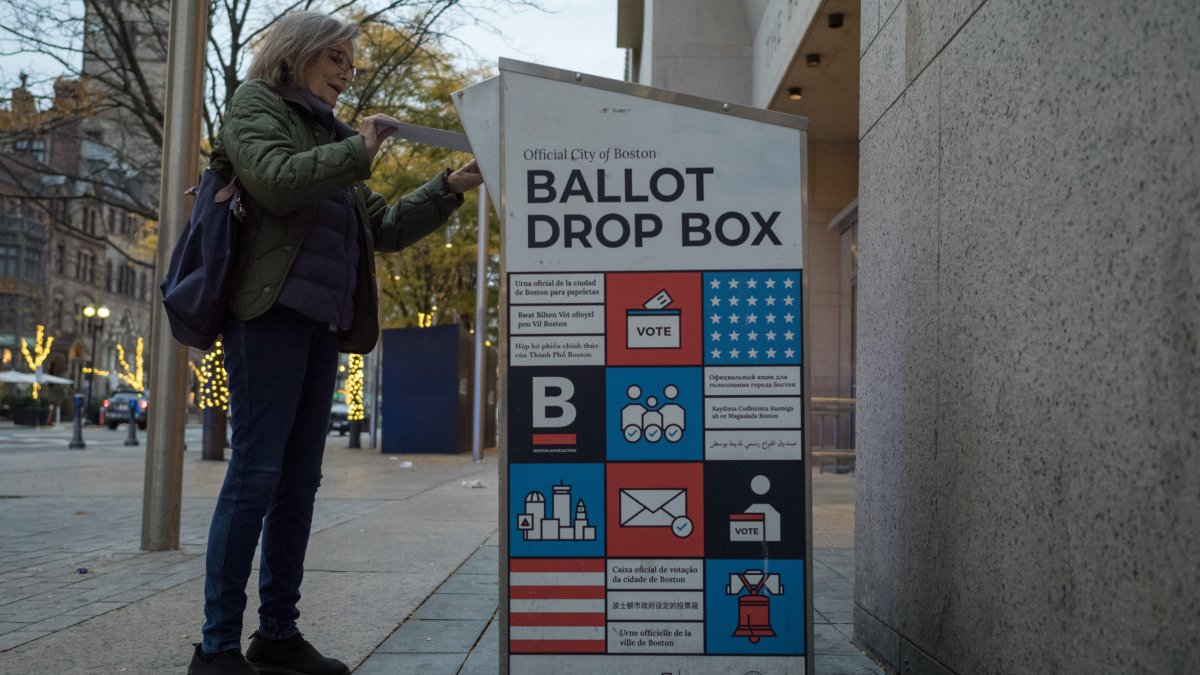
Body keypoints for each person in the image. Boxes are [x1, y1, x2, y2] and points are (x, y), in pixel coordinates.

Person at [187, 11, 482, 675]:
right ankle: (216, 648)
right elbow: (274, 179)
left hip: (323, 323)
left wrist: (447, 189)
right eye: (338, 60)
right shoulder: (256, 103)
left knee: (300, 482)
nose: (349, 74)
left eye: (352, 63)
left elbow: (381, 226)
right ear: (299, 54)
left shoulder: (331, 134)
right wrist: (359, 148)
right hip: (267, 317)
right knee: (255, 474)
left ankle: (279, 633)